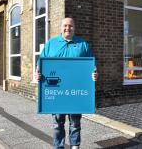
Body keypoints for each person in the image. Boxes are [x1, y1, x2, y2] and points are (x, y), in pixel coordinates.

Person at [35, 17, 98, 149]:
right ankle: (59, 147)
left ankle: (75, 146)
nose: (67, 28)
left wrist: (94, 73)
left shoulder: (82, 44)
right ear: (61, 27)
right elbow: (41, 63)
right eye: (65, 26)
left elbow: (92, 65)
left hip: (76, 92)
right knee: (58, 124)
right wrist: (37, 73)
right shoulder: (51, 44)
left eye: (70, 26)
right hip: (57, 92)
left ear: (74, 28)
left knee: (75, 123)